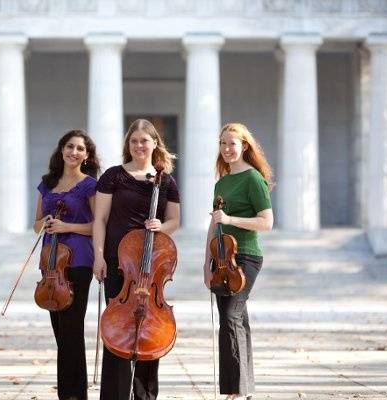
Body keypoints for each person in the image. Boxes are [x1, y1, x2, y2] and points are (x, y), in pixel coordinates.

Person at [92, 118, 181, 400]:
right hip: (119, 262)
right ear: (128, 145)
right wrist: (98, 257)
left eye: (144, 140)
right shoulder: (113, 176)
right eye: (134, 141)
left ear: (155, 144)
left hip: (149, 265)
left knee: (149, 329)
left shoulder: (165, 181)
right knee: (117, 330)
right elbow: (100, 220)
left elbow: (174, 221)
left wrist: (160, 227)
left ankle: (144, 395)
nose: (139, 145)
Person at [203, 122, 274, 400]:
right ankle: (244, 388)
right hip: (221, 257)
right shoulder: (221, 182)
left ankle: (233, 390)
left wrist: (231, 219)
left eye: (232, 143)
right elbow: (213, 226)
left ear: (244, 146)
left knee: (230, 317)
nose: (227, 149)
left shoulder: (253, 178)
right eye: (223, 143)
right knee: (237, 319)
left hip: (246, 255)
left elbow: (267, 222)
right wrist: (205, 262)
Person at [32, 129, 100, 400]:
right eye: (70, 147)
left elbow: (98, 225)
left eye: (80, 149)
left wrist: (67, 225)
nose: (74, 152)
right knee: (60, 330)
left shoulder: (90, 185)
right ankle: (71, 392)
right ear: (61, 150)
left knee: (72, 328)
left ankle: (73, 395)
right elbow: (36, 223)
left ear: (86, 155)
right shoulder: (47, 184)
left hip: (80, 260)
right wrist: (46, 223)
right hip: (51, 263)